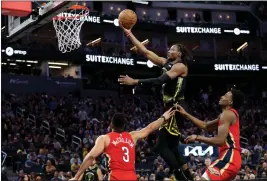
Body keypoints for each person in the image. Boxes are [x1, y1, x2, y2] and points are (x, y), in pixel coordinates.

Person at [118, 24, 193, 180]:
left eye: (172, 49)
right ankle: (188, 177)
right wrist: (129, 34)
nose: (169, 50)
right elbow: (144, 51)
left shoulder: (180, 66)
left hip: (176, 108)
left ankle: (181, 178)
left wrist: (135, 81)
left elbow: (160, 80)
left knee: (160, 146)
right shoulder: (166, 62)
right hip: (170, 108)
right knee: (172, 148)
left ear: (179, 53)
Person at [70, 108, 175, 181]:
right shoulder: (132, 136)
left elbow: (91, 156)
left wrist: (76, 176)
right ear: (124, 125)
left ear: (111, 124)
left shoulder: (104, 138)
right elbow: (149, 128)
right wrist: (163, 117)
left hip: (116, 176)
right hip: (131, 176)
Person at [176, 89, 244, 181]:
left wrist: (198, 137)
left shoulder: (227, 114)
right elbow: (206, 126)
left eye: (225, 95)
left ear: (230, 102)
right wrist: (186, 115)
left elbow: (220, 141)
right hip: (230, 157)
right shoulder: (226, 115)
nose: (221, 96)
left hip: (229, 157)